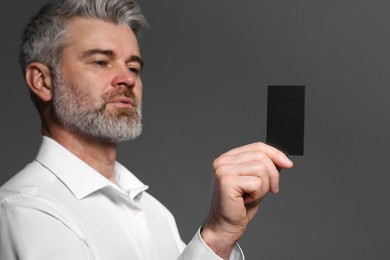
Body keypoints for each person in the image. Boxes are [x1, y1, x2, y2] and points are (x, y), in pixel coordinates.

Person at [0, 0, 294, 259]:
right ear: (42, 81)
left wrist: (224, 234)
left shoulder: (154, 212)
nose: (126, 78)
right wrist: (216, 237)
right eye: (101, 61)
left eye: (134, 67)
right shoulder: (27, 209)